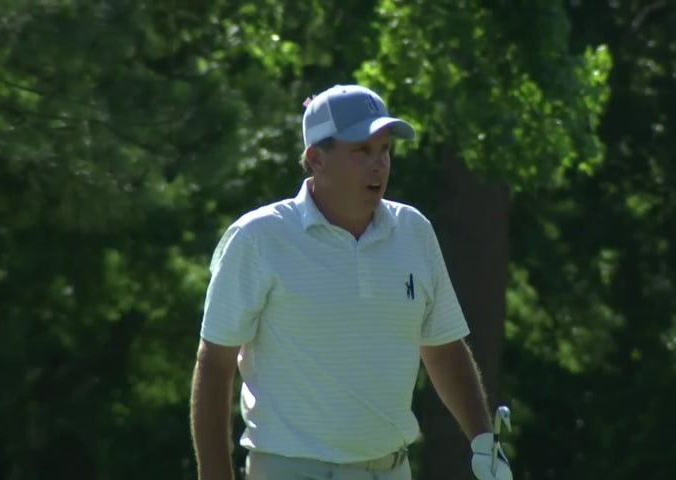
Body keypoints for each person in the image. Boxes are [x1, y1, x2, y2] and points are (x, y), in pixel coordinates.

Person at [189, 84, 513, 480]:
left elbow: (443, 349)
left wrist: (482, 438)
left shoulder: (413, 231)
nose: (379, 165)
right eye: (361, 151)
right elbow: (216, 362)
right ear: (316, 158)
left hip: (393, 469)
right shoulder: (259, 238)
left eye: (384, 150)